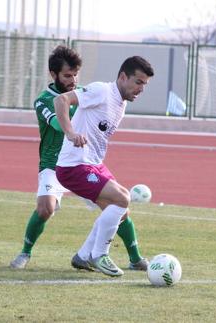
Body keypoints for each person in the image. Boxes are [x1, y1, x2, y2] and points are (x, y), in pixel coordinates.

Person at [10, 46, 148, 272]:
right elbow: (57, 120)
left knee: (118, 209)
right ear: (53, 75)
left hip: (85, 163)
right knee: (46, 208)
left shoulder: (94, 95)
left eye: (75, 75)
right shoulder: (44, 100)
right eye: (67, 75)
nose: (73, 80)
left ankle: (131, 258)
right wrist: (72, 131)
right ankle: (26, 252)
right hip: (55, 163)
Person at [54, 56, 154, 277]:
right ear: (122, 77)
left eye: (144, 85)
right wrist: (70, 133)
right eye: (138, 82)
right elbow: (61, 100)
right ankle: (100, 255)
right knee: (121, 198)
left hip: (93, 165)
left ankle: (83, 256)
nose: (141, 89)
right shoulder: (102, 91)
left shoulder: (121, 104)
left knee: (120, 210)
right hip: (74, 166)